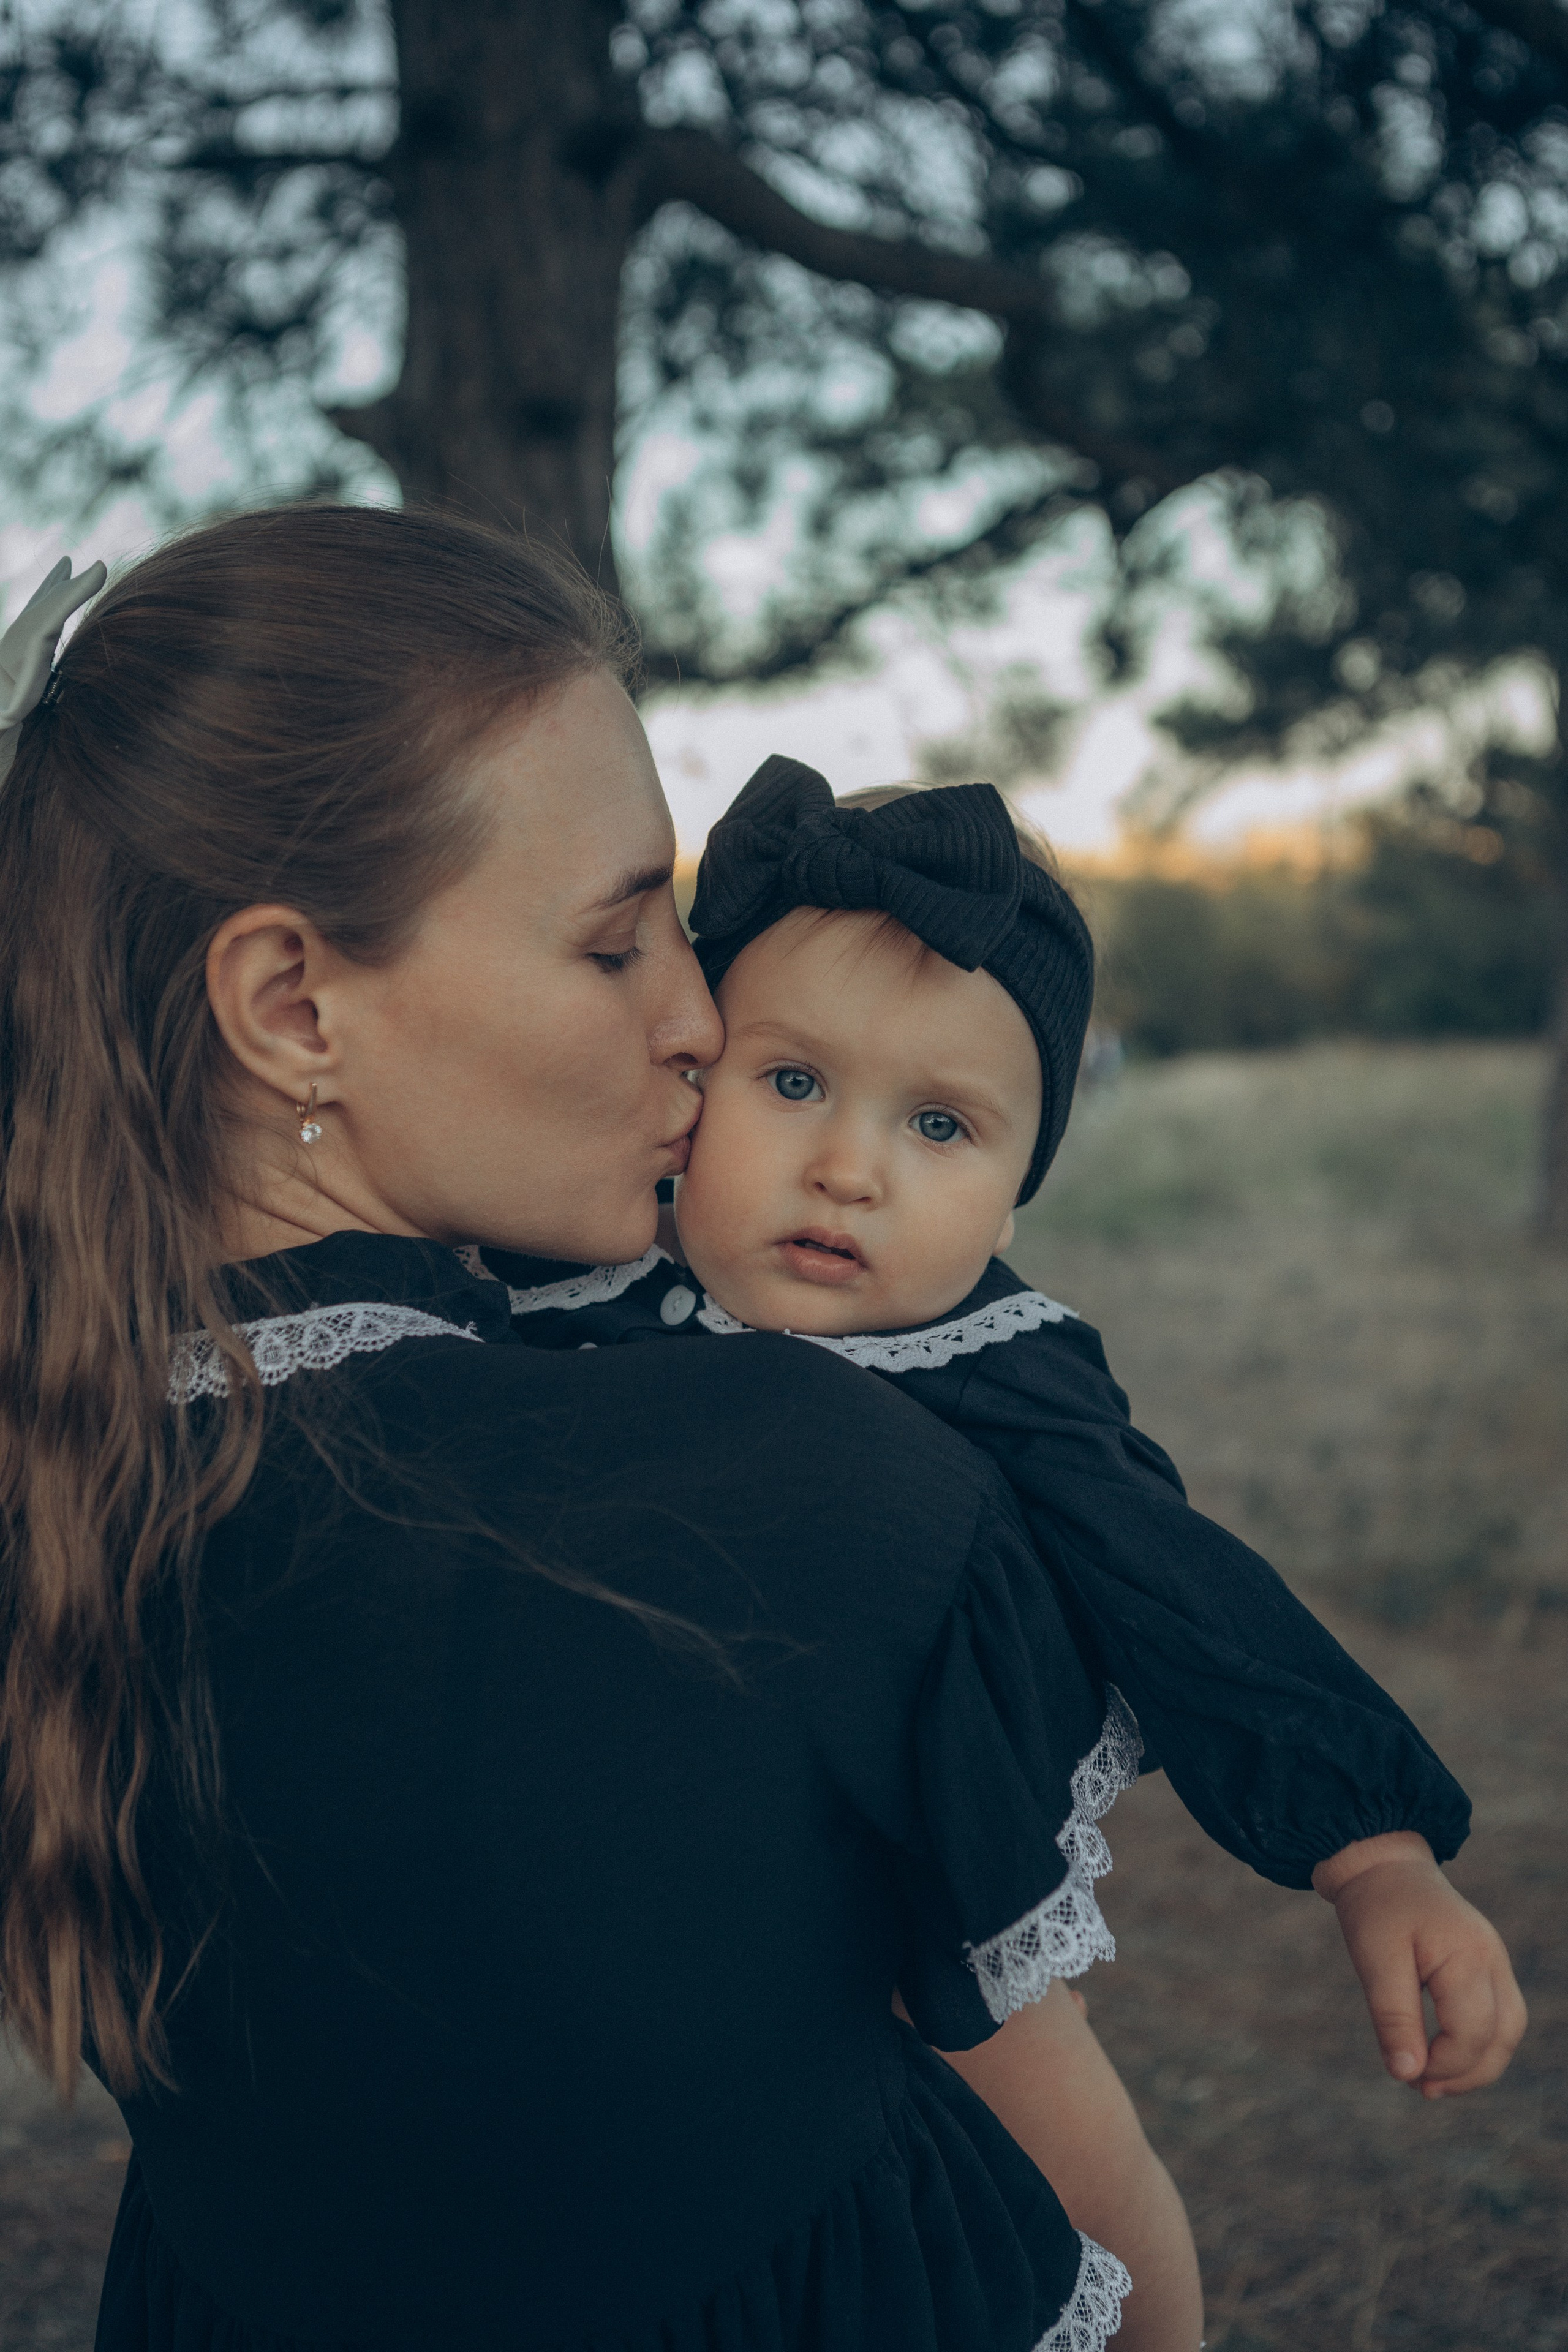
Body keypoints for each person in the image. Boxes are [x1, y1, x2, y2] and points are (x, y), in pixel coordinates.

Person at [0, 508, 1169, 2352]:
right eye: (620, 944)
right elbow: (1085, 2202)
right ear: (295, 1008)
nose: (705, 1020)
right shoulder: (808, 1492)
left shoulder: (56, 1483)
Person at [475, 755, 1528, 2350]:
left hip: (920, 1880)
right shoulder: (568, 1301)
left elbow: (1185, 1591)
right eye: (793, 1083)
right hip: (661, 1912)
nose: (852, 1167)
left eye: (943, 1125)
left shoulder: (998, 1364)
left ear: (1020, 1178)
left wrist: (1370, 1851)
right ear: (689, 1077)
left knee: (1060, 2156)